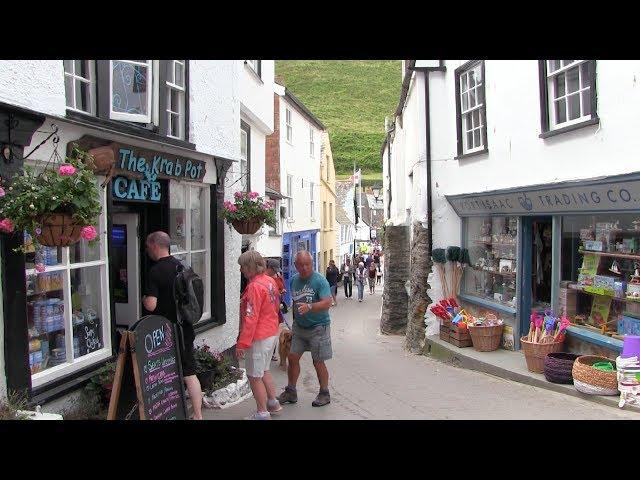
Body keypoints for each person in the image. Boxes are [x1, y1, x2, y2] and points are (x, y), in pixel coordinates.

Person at [142, 231, 203, 420]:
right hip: (185, 328)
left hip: (165, 331)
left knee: (166, 372)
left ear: (154, 245)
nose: (146, 250)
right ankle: (198, 415)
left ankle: (170, 412)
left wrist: (144, 298)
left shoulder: (155, 271)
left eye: (147, 246)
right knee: (189, 372)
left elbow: (151, 305)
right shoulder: (182, 265)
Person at [277, 250, 333, 407]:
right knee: (292, 358)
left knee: (318, 361)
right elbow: (295, 303)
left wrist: (310, 307)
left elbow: (327, 302)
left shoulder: (320, 281)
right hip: (300, 328)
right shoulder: (294, 280)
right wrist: (292, 322)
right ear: (295, 266)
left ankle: (324, 393)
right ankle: (291, 391)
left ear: (312, 263)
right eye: (301, 265)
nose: (304, 268)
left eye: (307, 264)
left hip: (318, 327)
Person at [237, 250, 283, 420]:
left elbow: (251, 318)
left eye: (242, 266)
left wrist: (242, 343)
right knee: (264, 370)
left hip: (259, 336)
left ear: (249, 267)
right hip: (271, 332)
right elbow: (274, 306)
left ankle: (262, 412)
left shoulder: (254, 287)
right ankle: (273, 403)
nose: (241, 270)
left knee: (254, 376)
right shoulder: (269, 281)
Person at [266, 258, 287, 361]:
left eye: (277, 269)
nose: (276, 271)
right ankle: (268, 352)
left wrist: (283, 290)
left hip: (278, 306)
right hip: (271, 307)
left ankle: (272, 352)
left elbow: (282, 287)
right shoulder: (265, 278)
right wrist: (278, 293)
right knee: (269, 329)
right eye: (274, 269)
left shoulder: (279, 276)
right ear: (269, 267)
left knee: (275, 329)